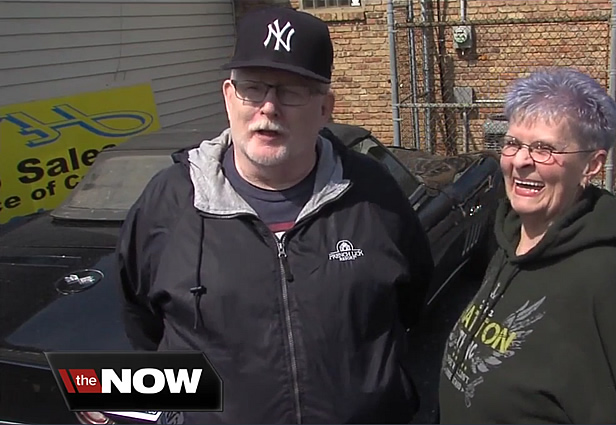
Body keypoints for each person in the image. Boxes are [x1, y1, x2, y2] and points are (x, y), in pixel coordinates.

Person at [116, 6, 433, 424]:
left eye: (291, 90)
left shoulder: (373, 194)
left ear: (325, 108)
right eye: (253, 88)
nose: (268, 107)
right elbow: (143, 326)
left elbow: (411, 302)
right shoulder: (169, 201)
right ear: (229, 96)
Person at [437, 68, 616, 424]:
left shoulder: (606, 285)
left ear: (592, 164)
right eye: (513, 142)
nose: (522, 161)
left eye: (545, 148)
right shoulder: (510, 243)